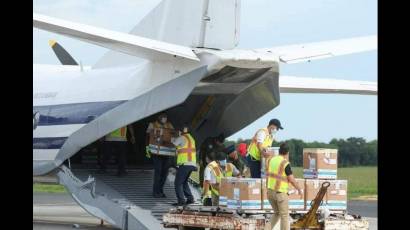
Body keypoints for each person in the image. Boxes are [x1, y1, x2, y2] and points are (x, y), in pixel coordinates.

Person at [266, 143, 302, 230]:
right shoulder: (285, 163)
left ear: (279, 151)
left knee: (277, 213)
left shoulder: (270, 160)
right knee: (284, 216)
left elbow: (267, 175)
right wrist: (299, 189)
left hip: (270, 192)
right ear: (287, 153)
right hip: (280, 194)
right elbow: (292, 180)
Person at [146, 113, 175, 198]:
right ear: (159, 118)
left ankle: (161, 191)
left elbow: (173, 133)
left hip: (166, 153)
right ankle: (155, 191)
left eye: (165, 118)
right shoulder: (152, 124)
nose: (164, 120)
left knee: (164, 173)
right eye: (163, 118)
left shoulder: (169, 125)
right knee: (158, 172)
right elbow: (148, 134)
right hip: (157, 152)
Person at [171, 124, 197, 206]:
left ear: (181, 131)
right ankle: (190, 199)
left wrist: (173, 136)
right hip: (192, 164)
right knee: (184, 182)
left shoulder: (182, 137)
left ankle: (181, 201)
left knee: (177, 183)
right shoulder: (191, 138)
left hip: (185, 164)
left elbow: (173, 143)